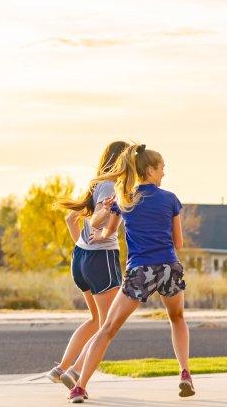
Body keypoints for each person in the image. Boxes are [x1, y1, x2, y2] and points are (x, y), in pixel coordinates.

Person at [66, 143, 194, 403]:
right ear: (150, 170)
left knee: (108, 329)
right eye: (162, 168)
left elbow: (107, 231)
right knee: (177, 318)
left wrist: (99, 229)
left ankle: (79, 387)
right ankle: (185, 373)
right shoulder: (170, 199)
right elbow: (178, 244)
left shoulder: (125, 199)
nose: (164, 173)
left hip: (140, 271)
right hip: (168, 268)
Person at [45, 141, 128, 390]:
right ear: (122, 161)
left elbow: (71, 219)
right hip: (100, 260)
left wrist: (82, 248)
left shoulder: (96, 184)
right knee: (107, 325)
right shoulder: (111, 186)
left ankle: (61, 368)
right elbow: (99, 220)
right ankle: (75, 371)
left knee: (95, 319)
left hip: (81, 258)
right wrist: (99, 226)